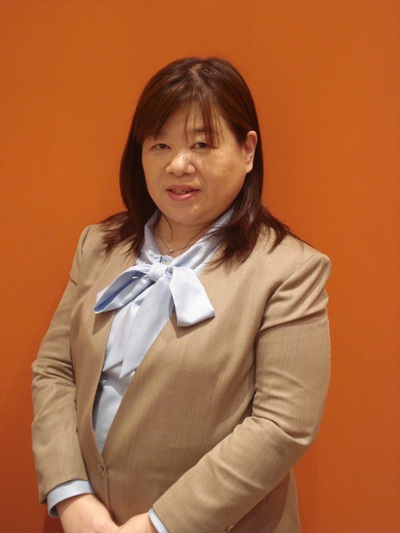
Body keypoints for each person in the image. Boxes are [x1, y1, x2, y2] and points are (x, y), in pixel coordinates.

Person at [32, 57, 331, 533]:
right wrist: (71, 495)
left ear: (247, 150)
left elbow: (282, 426)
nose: (177, 165)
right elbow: (55, 371)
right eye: (160, 144)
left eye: (202, 144)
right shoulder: (99, 246)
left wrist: (158, 524)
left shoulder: (288, 270)